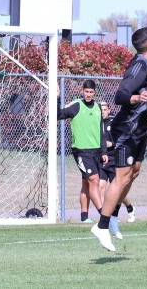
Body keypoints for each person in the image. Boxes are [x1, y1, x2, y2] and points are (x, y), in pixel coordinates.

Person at [91, 27, 147, 252]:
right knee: (121, 177)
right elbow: (121, 95)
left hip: (139, 129)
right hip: (127, 130)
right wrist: (135, 97)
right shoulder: (141, 64)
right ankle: (101, 226)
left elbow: (145, 92)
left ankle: (111, 215)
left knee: (135, 171)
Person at [57, 79, 107, 224]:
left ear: (94, 92)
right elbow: (58, 115)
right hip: (81, 151)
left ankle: (84, 217)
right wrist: (57, 98)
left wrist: (104, 152)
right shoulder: (76, 105)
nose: (88, 94)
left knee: (87, 183)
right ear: (82, 91)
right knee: (94, 180)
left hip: (96, 152)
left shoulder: (98, 107)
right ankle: (104, 215)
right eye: (86, 91)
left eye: (91, 92)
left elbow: (101, 132)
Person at [98, 101, 136, 223]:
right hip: (102, 159)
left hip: (114, 159)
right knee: (101, 186)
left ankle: (129, 207)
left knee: (117, 189)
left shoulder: (114, 122)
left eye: (104, 110)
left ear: (109, 111)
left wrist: (112, 144)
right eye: (100, 110)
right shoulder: (96, 123)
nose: (102, 112)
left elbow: (124, 137)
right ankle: (106, 216)